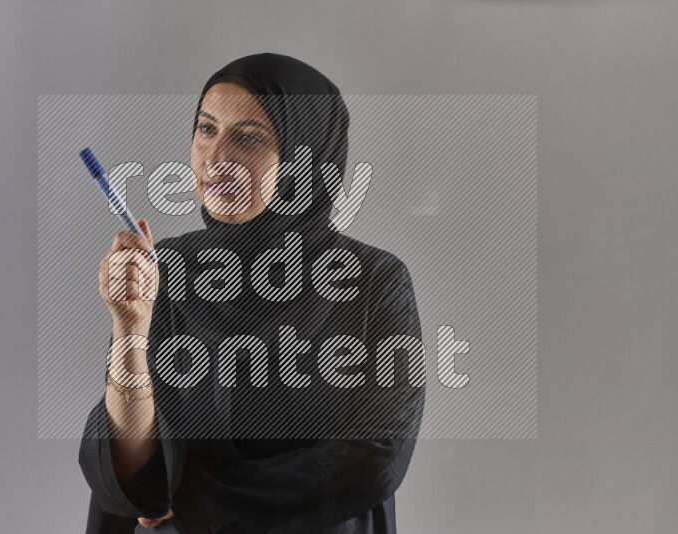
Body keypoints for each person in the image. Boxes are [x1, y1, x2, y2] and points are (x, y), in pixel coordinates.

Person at [79, 52, 425, 533]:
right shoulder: (169, 270)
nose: (216, 157)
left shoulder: (373, 280)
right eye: (206, 129)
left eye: (247, 137)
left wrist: (200, 500)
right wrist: (129, 325)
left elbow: (376, 454)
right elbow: (135, 478)